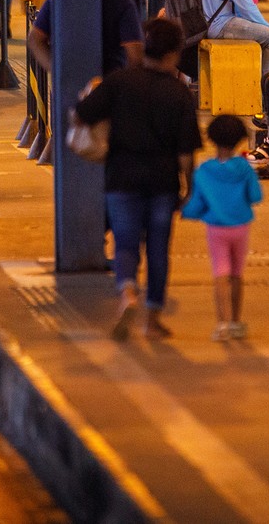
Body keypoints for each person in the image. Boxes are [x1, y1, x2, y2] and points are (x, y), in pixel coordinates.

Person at [73, 18, 203, 341]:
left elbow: (81, 114)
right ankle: (153, 319)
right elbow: (187, 152)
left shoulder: (119, 82)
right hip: (162, 182)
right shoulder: (179, 94)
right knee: (159, 248)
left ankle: (128, 293)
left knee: (126, 242)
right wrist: (189, 186)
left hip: (121, 177)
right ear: (174, 53)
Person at [181, 114, 264, 342]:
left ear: (212, 139)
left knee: (220, 273)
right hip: (241, 226)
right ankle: (236, 321)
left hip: (216, 228)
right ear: (239, 139)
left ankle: (222, 323)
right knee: (237, 274)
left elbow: (196, 203)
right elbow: (256, 195)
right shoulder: (244, 169)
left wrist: (185, 212)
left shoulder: (204, 171)